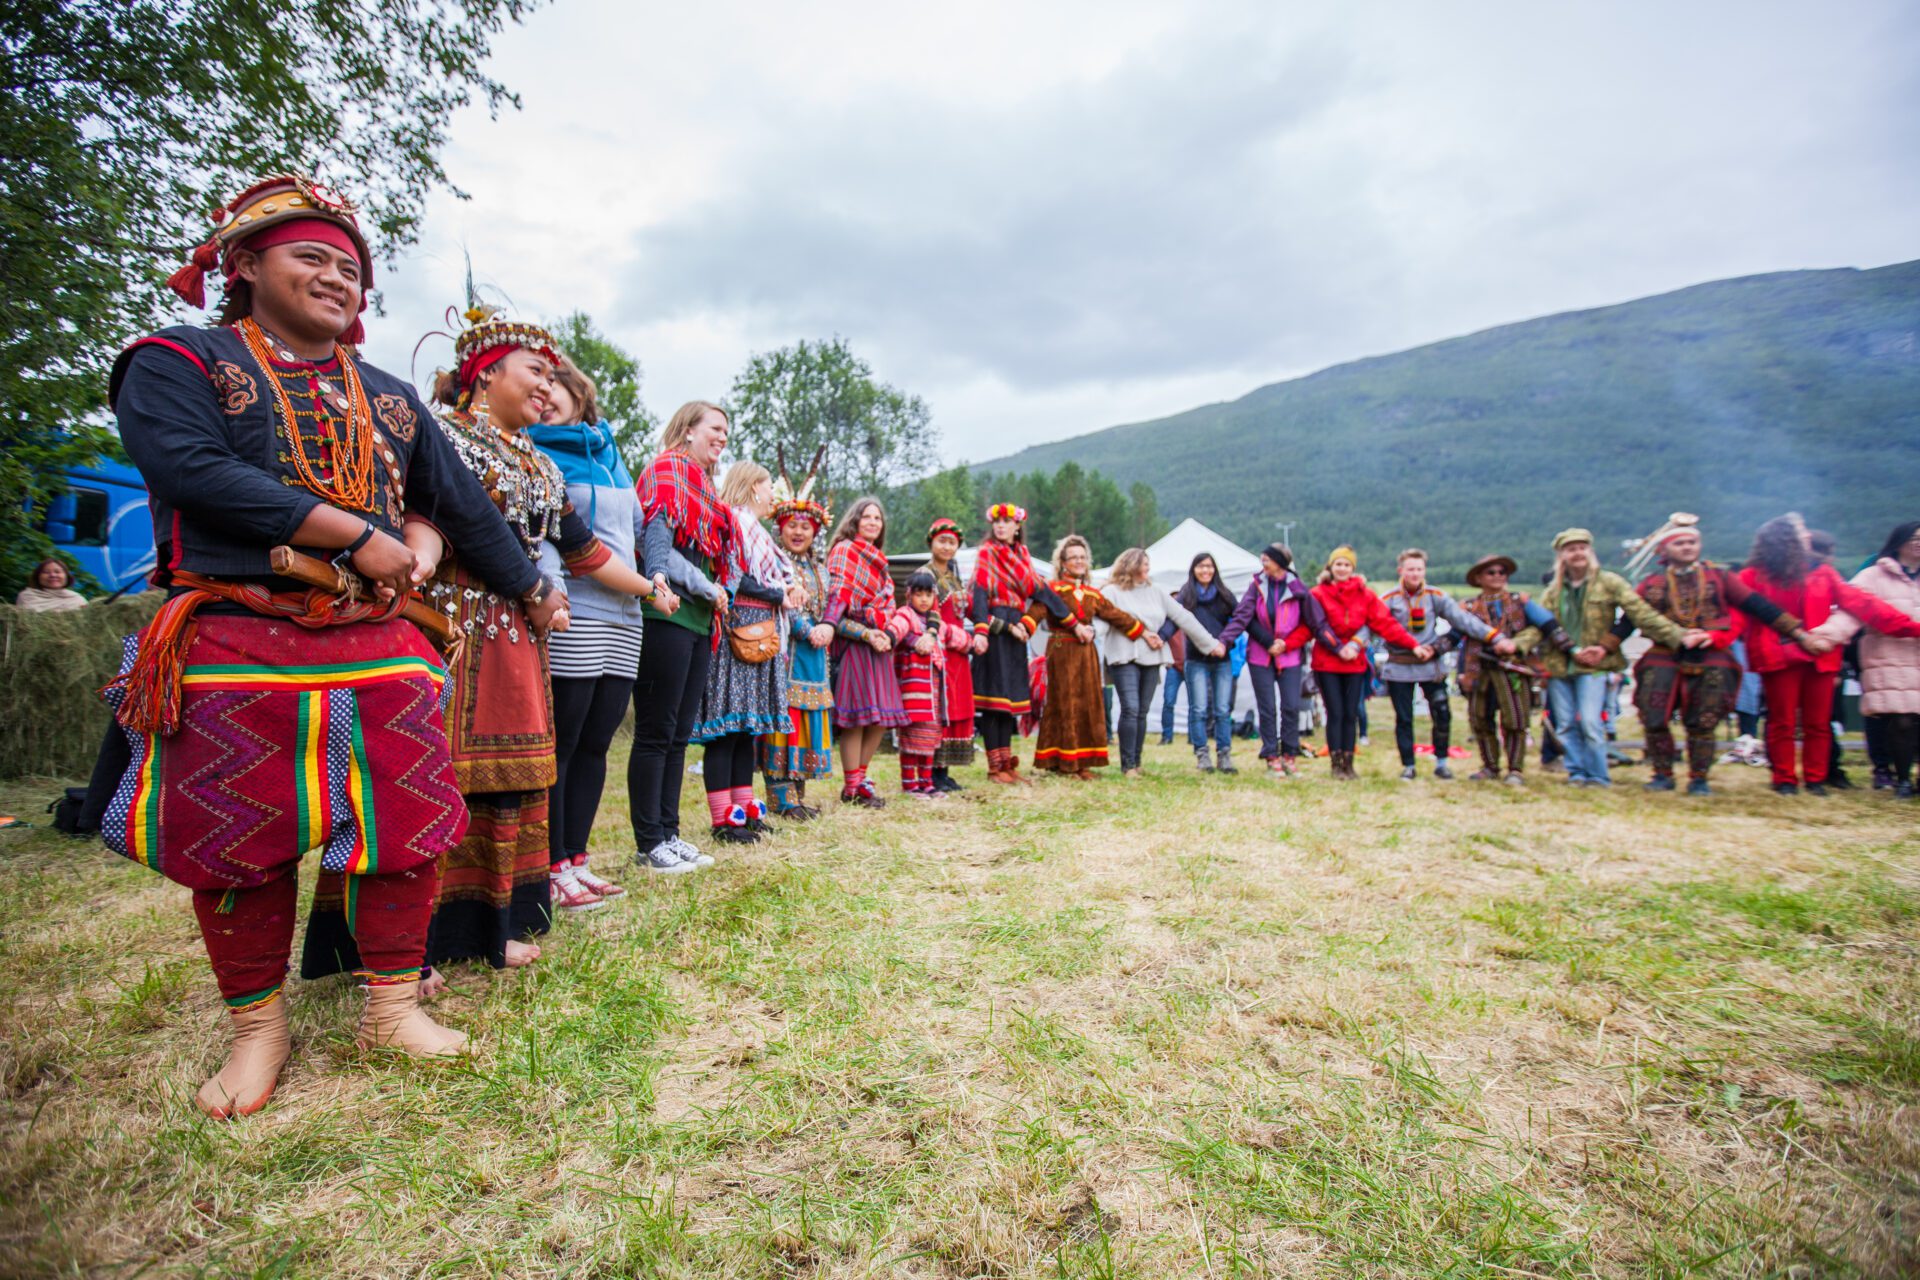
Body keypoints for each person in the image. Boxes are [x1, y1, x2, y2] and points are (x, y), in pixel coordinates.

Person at [101, 174, 561, 1117]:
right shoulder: (175, 361)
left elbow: (458, 504)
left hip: (382, 644)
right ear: (243, 264)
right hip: (237, 630)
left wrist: (523, 585)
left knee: (407, 823)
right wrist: (354, 534)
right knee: (241, 839)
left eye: (350, 268)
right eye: (310, 257)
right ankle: (257, 1030)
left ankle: (391, 1007)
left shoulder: (389, 397)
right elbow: (189, 469)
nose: (336, 278)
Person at [529, 362, 687, 910]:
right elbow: (553, 536)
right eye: (538, 388)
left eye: (555, 387)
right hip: (577, 609)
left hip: (628, 613)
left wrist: (658, 570)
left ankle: (577, 859)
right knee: (565, 741)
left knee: (598, 741)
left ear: (580, 390)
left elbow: (645, 526)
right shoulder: (536, 453)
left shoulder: (611, 453)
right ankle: (548, 867)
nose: (545, 397)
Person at [1625, 513, 1815, 795]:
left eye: (1692, 542)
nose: (1687, 547)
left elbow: (1758, 606)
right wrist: (1602, 647)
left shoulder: (1722, 577)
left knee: (1703, 720)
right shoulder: (1650, 585)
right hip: (1664, 655)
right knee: (1653, 717)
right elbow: (1628, 620)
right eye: (1680, 543)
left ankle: (1699, 778)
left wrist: (1798, 633)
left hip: (1712, 656)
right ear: (1665, 550)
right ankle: (1662, 773)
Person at [1740, 513, 1920, 794]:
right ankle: (1784, 779)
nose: (1807, 535)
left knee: (1819, 722)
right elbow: (1739, 613)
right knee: (1782, 721)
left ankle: (1815, 778)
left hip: (1821, 655)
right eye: (1801, 531)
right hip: (1778, 656)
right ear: (1784, 537)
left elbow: (1864, 605)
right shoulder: (1753, 575)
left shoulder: (1823, 572)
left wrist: (1912, 628)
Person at [632, 402, 735, 871]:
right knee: (656, 731)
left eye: (726, 432)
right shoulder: (665, 472)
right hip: (667, 616)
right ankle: (649, 840)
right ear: (687, 430)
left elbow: (714, 554)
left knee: (678, 735)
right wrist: (706, 587)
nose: (722, 437)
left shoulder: (707, 489)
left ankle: (670, 833)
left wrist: (715, 590)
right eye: (715, 428)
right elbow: (660, 551)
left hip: (698, 622)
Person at [1515, 529, 1689, 788]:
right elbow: (1541, 628)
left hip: (1594, 664)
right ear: (1562, 555)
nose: (1577, 553)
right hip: (1560, 665)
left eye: (1582, 547)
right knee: (1563, 724)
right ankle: (1576, 772)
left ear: (1590, 551)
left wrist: (1678, 635)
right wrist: (1514, 645)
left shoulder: (1610, 583)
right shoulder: (1553, 591)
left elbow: (1641, 613)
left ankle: (1598, 775)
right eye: (1571, 549)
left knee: (1590, 721)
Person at [690, 462, 803, 844]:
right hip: (738, 634)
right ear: (753, 487)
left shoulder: (755, 530)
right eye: (769, 486)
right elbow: (735, 578)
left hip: (760, 635)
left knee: (746, 731)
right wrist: (780, 595)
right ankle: (724, 820)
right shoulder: (736, 521)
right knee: (726, 730)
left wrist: (783, 593)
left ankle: (745, 810)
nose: (773, 494)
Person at [1378, 548, 1508, 781]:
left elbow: (1463, 621)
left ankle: (1441, 762)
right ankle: (1408, 765)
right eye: (1411, 569)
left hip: (1431, 664)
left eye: (1419, 569)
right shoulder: (1388, 599)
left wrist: (1494, 636)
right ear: (1401, 571)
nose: (1415, 574)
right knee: (1404, 718)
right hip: (1399, 664)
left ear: (1424, 570)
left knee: (1441, 713)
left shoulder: (1435, 596)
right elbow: (1374, 626)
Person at [1812, 521, 1920, 798]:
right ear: (1899, 542)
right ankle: (1903, 779)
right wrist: (1825, 637)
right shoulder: (1872, 576)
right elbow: (1850, 610)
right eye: (1914, 538)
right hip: (1891, 657)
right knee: (1902, 720)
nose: (1919, 543)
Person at [1023, 535, 1143, 777]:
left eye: (1082, 557)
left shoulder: (1091, 593)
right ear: (1063, 562)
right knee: (1062, 704)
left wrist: (1144, 633)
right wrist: (1022, 628)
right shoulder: (1053, 589)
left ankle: (1083, 762)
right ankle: (1062, 762)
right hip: (1060, 652)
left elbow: (1115, 615)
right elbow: (1035, 612)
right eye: (1073, 557)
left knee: (1087, 704)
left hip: (1086, 655)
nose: (1078, 561)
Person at [1099, 547, 1225, 776]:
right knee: (1130, 707)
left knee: (1142, 711)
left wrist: (1211, 644)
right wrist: (1088, 634)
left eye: (1147, 564)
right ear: (1129, 566)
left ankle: (1136, 762)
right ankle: (1127, 766)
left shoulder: (1156, 591)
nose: (1146, 568)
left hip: (1151, 656)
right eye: (1142, 564)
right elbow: (1103, 622)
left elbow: (1184, 617)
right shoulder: (1111, 592)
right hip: (1123, 656)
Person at [1309, 547, 1427, 781]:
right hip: (1327, 663)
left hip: (1354, 663)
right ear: (1330, 567)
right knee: (1335, 712)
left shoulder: (1366, 595)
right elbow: (1314, 625)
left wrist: (1412, 644)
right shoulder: (1318, 594)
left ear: (1353, 569)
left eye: (1347, 565)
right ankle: (1336, 763)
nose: (1342, 568)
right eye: (1338, 564)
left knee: (1351, 713)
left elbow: (1385, 624)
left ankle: (1349, 762)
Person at [970, 503, 1065, 784]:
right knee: (993, 701)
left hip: (1016, 626)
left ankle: (1006, 764)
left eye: (1006, 522)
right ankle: (994, 766)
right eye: (997, 522)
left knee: (1008, 700)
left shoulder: (1022, 556)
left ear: (1017, 526)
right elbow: (979, 595)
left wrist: (1070, 619)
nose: (1000, 526)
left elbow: (1040, 591)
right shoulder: (987, 553)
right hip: (996, 625)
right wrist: (981, 630)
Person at [760, 472, 834, 818]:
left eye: (806, 527)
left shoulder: (821, 570)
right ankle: (781, 800)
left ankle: (798, 795)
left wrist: (828, 627)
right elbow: (784, 605)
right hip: (785, 653)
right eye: (792, 525)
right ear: (781, 528)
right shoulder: (775, 561)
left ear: (815, 532)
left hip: (814, 657)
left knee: (805, 722)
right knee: (783, 722)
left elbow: (830, 604)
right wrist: (809, 629)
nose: (799, 532)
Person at [1454, 556, 1567, 784]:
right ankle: (1490, 766)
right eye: (1491, 572)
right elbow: (1453, 636)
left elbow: (1548, 625)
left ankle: (1515, 769)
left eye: (1501, 572)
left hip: (1513, 669)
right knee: (1480, 719)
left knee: (1515, 720)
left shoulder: (1521, 602)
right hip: (1478, 670)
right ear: (1479, 578)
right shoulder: (1467, 607)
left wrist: (1572, 651)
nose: (1497, 576)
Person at [827, 497, 910, 805]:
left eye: (878, 518)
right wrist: (867, 632)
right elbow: (834, 607)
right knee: (857, 717)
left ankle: (861, 779)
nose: (874, 522)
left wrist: (887, 633)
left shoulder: (880, 562)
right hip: (856, 646)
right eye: (867, 517)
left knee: (880, 718)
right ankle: (851, 786)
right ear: (855, 521)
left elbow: (890, 606)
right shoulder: (844, 551)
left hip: (881, 646)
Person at [1218, 545, 1324, 777]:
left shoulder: (1298, 589)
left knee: (1291, 706)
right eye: (1262, 559)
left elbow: (1310, 624)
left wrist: (1287, 643)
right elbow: (1242, 617)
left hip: (1290, 655)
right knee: (1266, 708)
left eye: (1267, 559)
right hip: (1260, 656)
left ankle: (1289, 754)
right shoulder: (1256, 586)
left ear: (1280, 562)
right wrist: (1223, 641)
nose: (1263, 563)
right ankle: (1271, 756)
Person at [891, 569, 969, 796]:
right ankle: (909, 784)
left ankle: (926, 783)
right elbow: (897, 631)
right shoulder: (906, 615)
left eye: (928, 594)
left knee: (928, 740)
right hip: (913, 693)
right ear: (909, 595)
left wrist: (975, 642)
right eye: (919, 594)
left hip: (934, 696)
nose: (924, 599)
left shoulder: (937, 623)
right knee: (911, 739)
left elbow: (959, 637)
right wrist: (889, 637)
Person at [1176, 552, 1246, 772]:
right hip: (1195, 659)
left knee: (1223, 709)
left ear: (1214, 569)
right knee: (1198, 709)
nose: (1205, 571)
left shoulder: (1225, 595)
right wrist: (1158, 637)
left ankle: (1224, 754)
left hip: (1221, 658)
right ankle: (1202, 754)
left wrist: (1225, 642)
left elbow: (1240, 620)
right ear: (1193, 569)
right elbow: (1174, 619)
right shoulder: (1186, 595)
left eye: (1209, 566)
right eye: (1200, 566)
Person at [926, 518, 977, 791]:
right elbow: (927, 614)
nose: (947, 546)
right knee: (939, 710)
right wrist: (963, 639)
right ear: (931, 542)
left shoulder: (953, 575)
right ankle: (932, 772)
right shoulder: (927, 574)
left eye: (952, 542)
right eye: (942, 541)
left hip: (957, 656)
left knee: (954, 709)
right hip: (940, 651)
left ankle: (943, 771)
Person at [16, 559, 86, 612]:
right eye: (46, 572)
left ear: (66, 576)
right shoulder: (27, 597)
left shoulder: (77, 599)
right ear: (38, 577)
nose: (53, 575)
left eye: (57, 572)